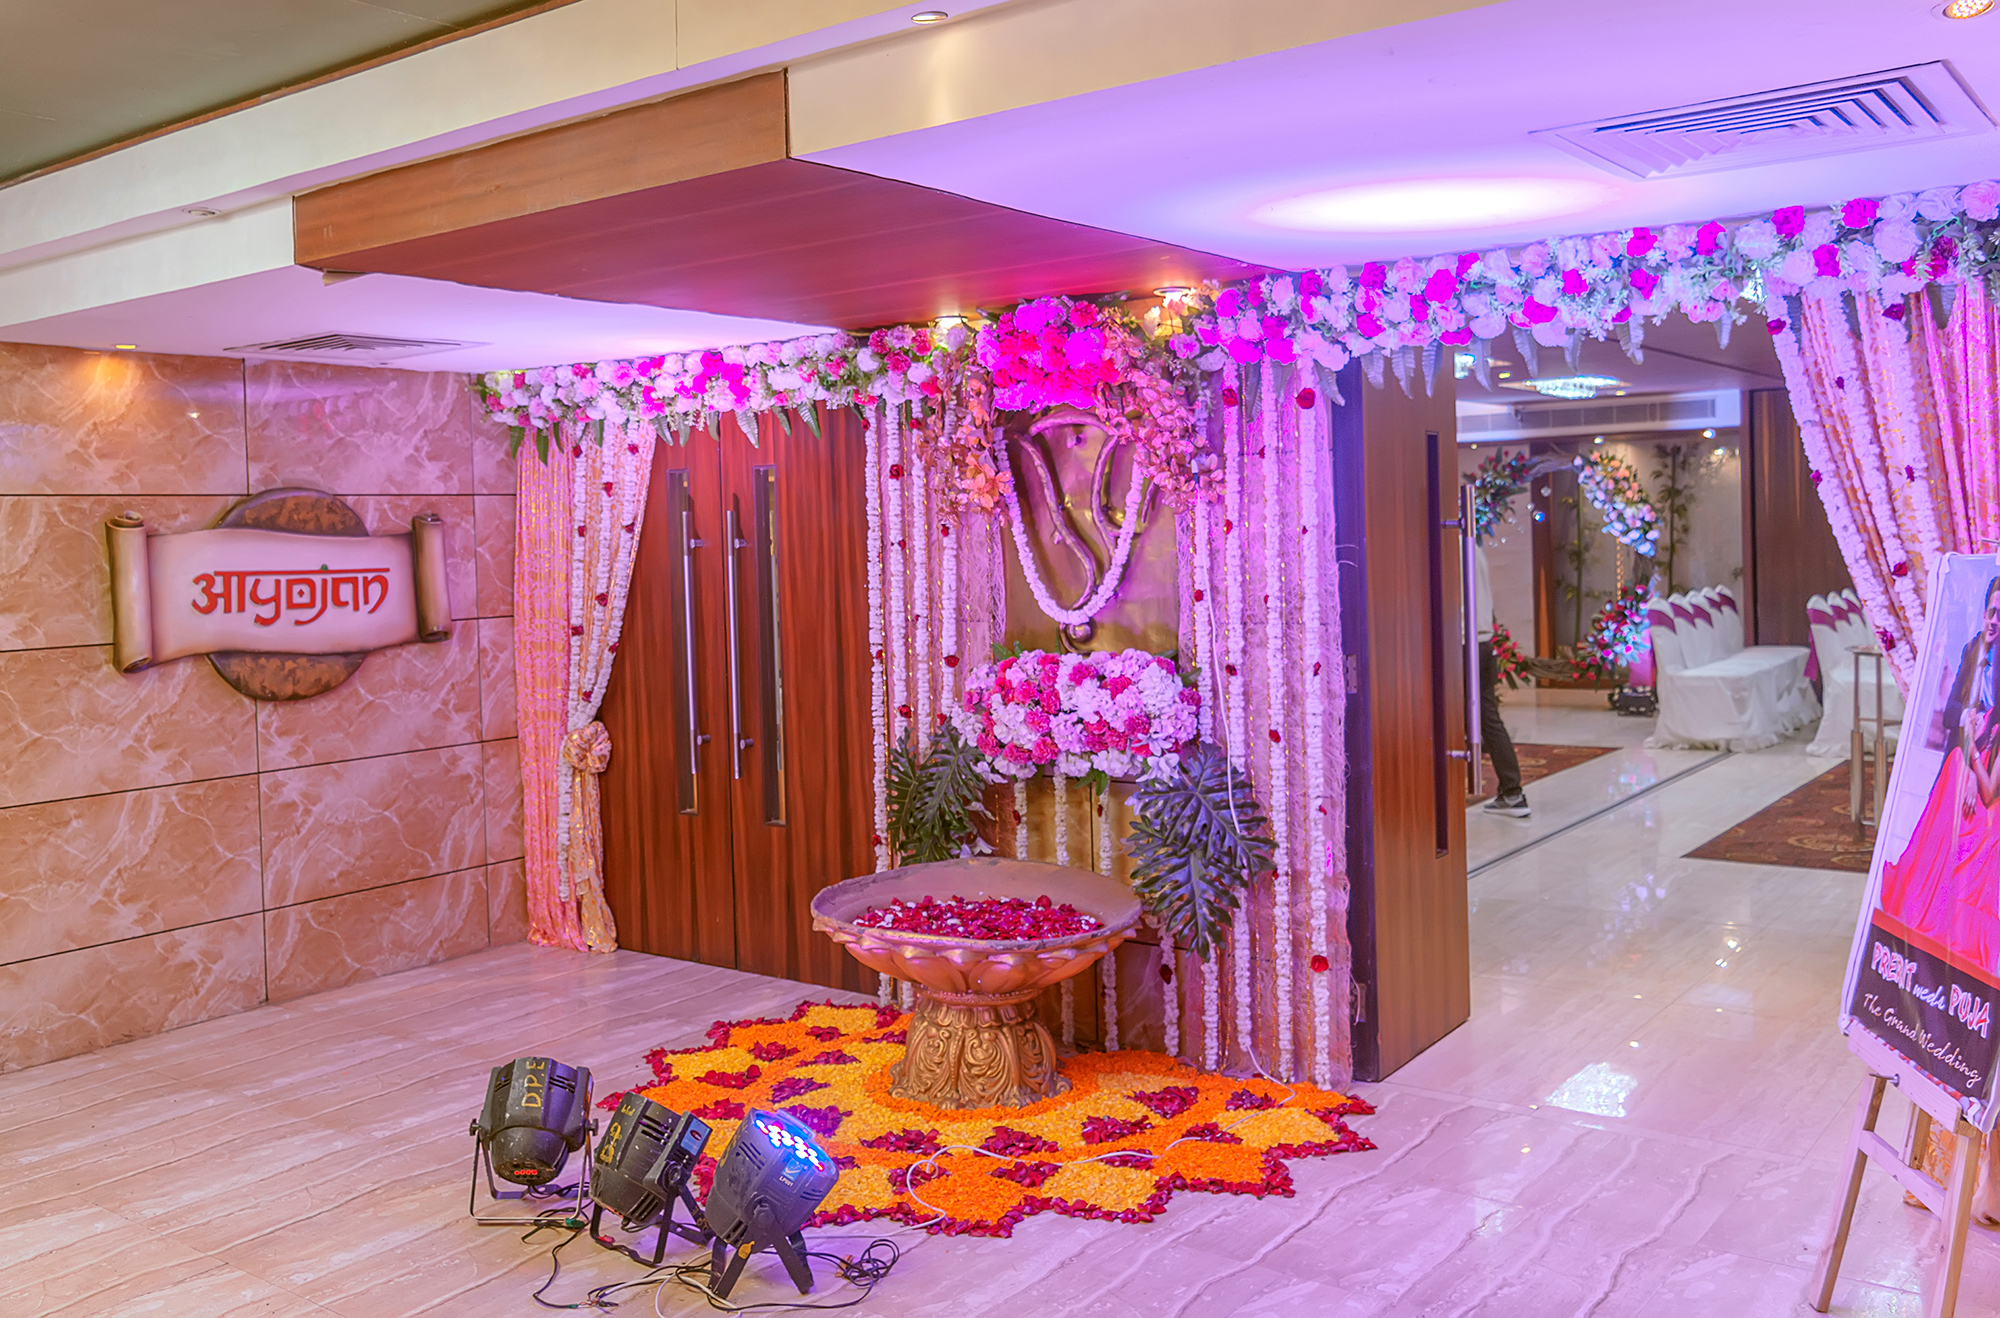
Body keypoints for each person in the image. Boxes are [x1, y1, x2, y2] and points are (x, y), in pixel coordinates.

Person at [1475, 544, 1529, 818]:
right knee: (1489, 718)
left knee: (1482, 718)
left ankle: (1511, 791)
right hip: (1483, 641)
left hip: (1465, 642)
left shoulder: (1452, 548)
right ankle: (1511, 791)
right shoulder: (1474, 547)